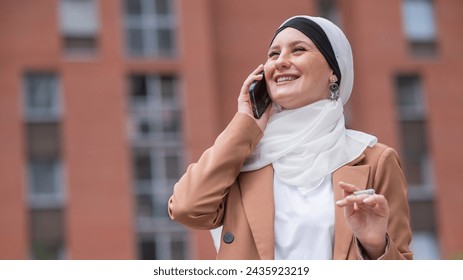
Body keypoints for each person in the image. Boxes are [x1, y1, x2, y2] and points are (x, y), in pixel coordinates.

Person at [168, 15, 413, 260]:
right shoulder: (243, 157)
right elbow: (187, 208)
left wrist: (374, 245)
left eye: (298, 50)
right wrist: (245, 123)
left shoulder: (375, 160)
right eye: (273, 54)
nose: (281, 62)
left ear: (334, 72)